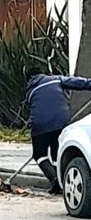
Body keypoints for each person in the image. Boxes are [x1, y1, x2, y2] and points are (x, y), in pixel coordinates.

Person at [25, 65, 91, 194]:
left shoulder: (30, 92)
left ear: (29, 79)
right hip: (61, 123)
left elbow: (33, 109)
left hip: (40, 126)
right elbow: (80, 83)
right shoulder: (57, 80)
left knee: (39, 154)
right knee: (57, 153)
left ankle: (54, 179)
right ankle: (61, 180)